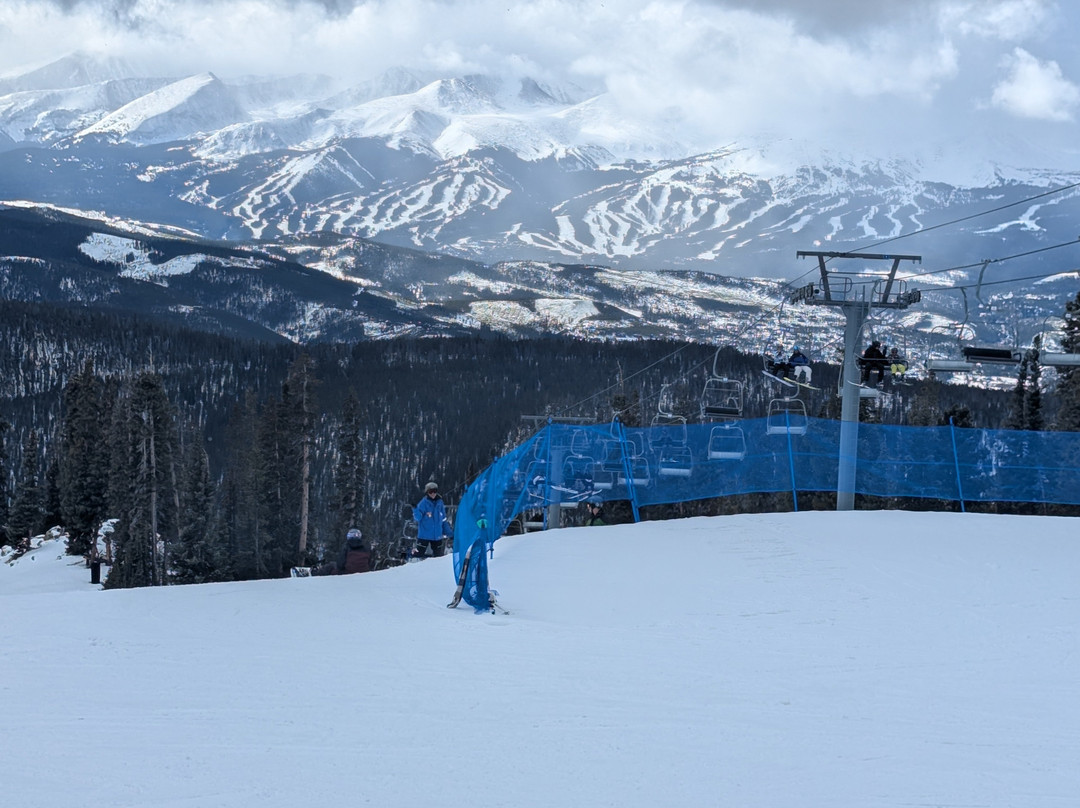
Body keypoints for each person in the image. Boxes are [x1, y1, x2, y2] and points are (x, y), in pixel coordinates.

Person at [412, 481, 453, 558]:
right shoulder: (423, 503)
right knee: (418, 556)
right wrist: (415, 509)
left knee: (438, 557)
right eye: (431, 492)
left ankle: (436, 569)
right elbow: (418, 518)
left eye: (435, 491)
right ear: (427, 492)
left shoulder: (440, 503)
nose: (433, 494)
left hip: (437, 536)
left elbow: (443, 520)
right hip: (424, 535)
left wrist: (449, 534)